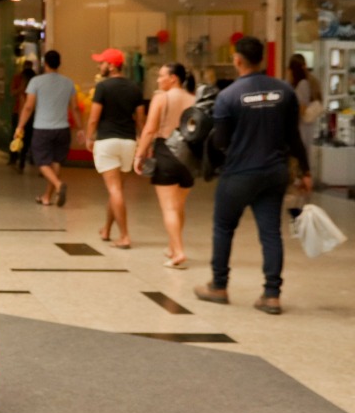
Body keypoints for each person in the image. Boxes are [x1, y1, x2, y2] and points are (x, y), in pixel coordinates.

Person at [195, 36, 313, 315]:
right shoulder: (285, 91)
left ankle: (219, 286)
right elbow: (294, 137)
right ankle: (271, 295)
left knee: (223, 227)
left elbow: (221, 141)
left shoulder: (228, 96)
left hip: (239, 173)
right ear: (262, 59)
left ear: (237, 60)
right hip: (274, 172)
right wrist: (305, 170)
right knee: (271, 233)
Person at [134, 62, 197, 268]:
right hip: (189, 158)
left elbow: (150, 129)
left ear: (174, 79)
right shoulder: (194, 99)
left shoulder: (162, 98)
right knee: (178, 205)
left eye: (162, 76)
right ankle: (172, 246)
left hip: (166, 153)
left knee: (169, 208)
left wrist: (139, 154)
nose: (158, 80)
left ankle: (178, 252)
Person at [85, 48, 146, 249]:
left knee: (115, 190)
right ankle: (106, 230)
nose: (99, 65)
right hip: (128, 142)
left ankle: (125, 236)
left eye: (101, 62)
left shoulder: (103, 87)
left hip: (107, 141)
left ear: (111, 65)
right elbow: (140, 120)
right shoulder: (135, 88)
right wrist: (144, 144)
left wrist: (88, 137)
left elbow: (94, 117)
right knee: (116, 190)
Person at [13, 50, 76, 207]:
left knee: (41, 162)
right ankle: (47, 197)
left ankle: (58, 184)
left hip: (42, 128)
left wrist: (20, 126)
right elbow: (74, 108)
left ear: (45, 63)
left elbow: (28, 107)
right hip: (63, 129)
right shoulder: (68, 82)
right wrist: (81, 128)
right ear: (59, 63)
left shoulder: (36, 82)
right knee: (55, 162)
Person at [9, 58, 36, 172]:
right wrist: (21, 89)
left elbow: (28, 106)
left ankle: (22, 161)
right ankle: (14, 158)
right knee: (17, 137)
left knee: (26, 138)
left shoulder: (35, 83)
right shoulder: (18, 78)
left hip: (27, 115)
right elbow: (12, 92)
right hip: (19, 113)